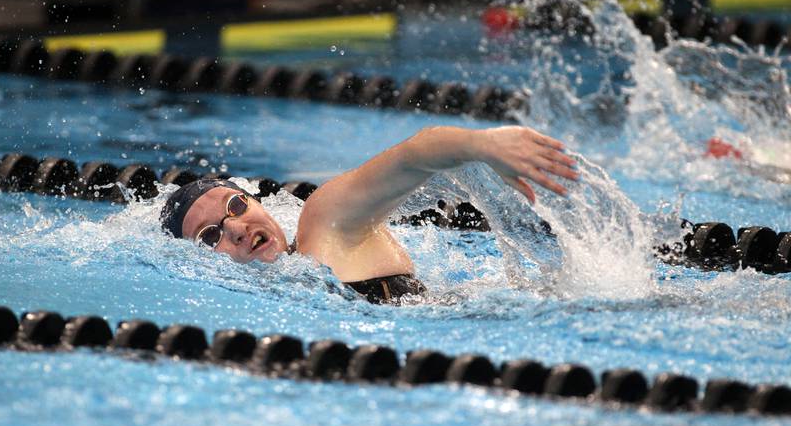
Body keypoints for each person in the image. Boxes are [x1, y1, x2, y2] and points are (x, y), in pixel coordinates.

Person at [160, 125, 578, 303]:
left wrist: (482, 144)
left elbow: (413, 156)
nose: (235, 228)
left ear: (259, 204)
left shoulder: (324, 226)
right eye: (209, 236)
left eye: (236, 206)